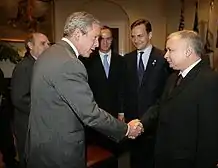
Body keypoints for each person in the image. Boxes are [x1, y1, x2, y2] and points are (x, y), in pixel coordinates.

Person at [25, 11, 143, 168]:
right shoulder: (69, 63)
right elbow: (90, 114)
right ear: (78, 34)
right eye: (94, 38)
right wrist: (127, 129)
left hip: (41, 145)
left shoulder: (48, 54)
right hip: (60, 152)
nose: (96, 44)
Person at [141, 30, 218, 168]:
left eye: (170, 50)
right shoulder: (173, 77)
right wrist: (142, 123)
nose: (165, 55)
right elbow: (161, 106)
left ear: (188, 52)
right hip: (166, 156)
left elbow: (210, 134)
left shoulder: (210, 81)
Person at [123, 19, 170, 168]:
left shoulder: (164, 58)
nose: (136, 40)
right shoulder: (127, 59)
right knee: (135, 160)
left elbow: (166, 93)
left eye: (140, 36)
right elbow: (124, 88)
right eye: (133, 36)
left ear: (150, 34)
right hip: (133, 120)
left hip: (154, 122)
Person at [79, 25, 125, 165]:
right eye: (102, 39)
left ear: (112, 40)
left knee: (113, 153)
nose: (105, 42)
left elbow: (123, 88)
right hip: (94, 114)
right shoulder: (87, 60)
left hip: (114, 114)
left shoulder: (121, 60)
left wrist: (121, 111)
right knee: (96, 153)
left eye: (108, 39)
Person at [11, 32, 50, 167]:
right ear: (30, 46)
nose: (47, 46)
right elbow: (19, 98)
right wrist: (45, 108)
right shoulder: (24, 67)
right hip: (27, 126)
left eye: (48, 43)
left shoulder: (41, 64)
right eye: (43, 43)